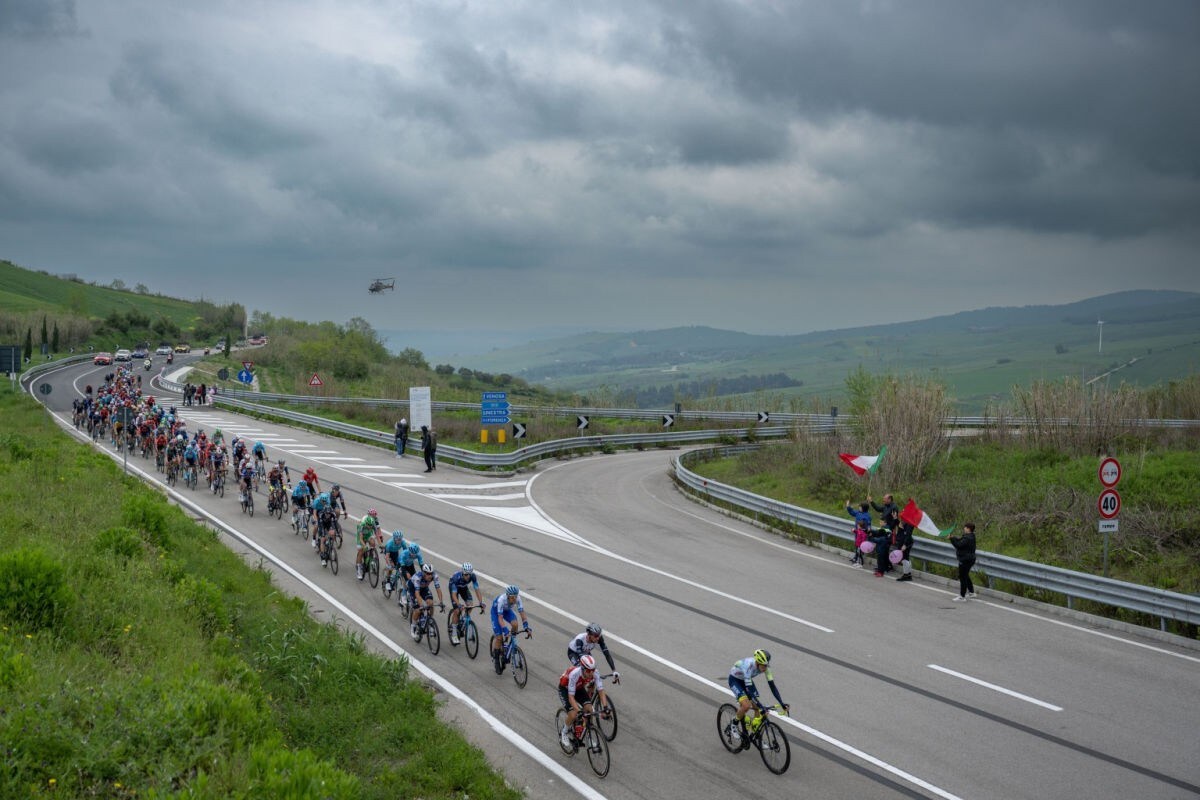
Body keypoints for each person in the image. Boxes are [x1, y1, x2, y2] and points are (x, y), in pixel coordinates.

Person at [726, 649, 788, 742]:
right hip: (735, 680)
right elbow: (749, 692)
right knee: (746, 705)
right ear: (757, 663)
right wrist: (760, 706)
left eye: (766, 665)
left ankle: (755, 737)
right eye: (763, 666)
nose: (765, 668)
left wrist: (781, 703)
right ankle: (733, 724)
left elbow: (772, 687)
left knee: (758, 709)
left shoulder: (766, 668)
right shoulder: (748, 666)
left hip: (746, 680)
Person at [558, 654, 612, 749]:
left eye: (593, 670)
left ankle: (587, 737)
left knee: (590, 710)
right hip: (565, 689)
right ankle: (564, 732)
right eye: (588, 671)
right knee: (574, 714)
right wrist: (579, 711)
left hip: (578, 688)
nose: (591, 673)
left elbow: (601, 691)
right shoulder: (574, 674)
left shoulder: (595, 673)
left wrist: (605, 707)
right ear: (582, 669)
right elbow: (571, 697)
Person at [490, 584, 531, 672]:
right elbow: (500, 619)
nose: (514, 599)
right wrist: (505, 629)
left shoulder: (518, 598)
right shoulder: (501, 600)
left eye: (515, 597)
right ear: (508, 596)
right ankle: (496, 659)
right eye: (512, 598)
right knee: (499, 637)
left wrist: (526, 626)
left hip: (507, 611)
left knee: (515, 624)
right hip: (496, 613)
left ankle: (512, 641)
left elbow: (522, 613)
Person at [446, 562, 482, 645]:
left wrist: (481, 602)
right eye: (466, 575)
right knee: (457, 610)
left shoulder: (472, 576)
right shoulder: (456, 578)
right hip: (454, 588)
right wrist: (458, 605)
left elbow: (477, 589)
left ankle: (464, 619)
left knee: (470, 605)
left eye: (469, 574)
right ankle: (454, 633)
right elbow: (454, 595)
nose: (468, 576)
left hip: (463, 588)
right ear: (462, 573)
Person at [407, 563, 444, 640]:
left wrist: (441, 602)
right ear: (423, 573)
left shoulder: (434, 576)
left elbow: (438, 589)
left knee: (431, 603)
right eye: (427, 573)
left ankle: (430, 621)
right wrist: (421, 605)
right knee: (418, 610)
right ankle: (413, 626)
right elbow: (417, 593)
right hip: (413, 589)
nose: (430, 575)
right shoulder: (417, 577)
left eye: (431, 573)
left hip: (424, 588)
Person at [949, 523, 978, 601]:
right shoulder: (971, 536)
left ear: (968, 529)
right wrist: (953, 537)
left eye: (965, 527)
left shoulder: (968, 538)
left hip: (965, 560)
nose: (964, 528)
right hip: (969, 559)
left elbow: (958, 545)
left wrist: (951, 539)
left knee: (963, 577)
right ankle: (972, 592)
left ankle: (962, 596)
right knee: (965, 575)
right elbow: (960, 540)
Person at [355, 508, 383, 581]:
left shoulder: (373, 523)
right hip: (361, 535)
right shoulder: (362, 525)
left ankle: (372, 558)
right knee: (361, 550)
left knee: (373, 543)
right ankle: (359, 569)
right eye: (368, 525)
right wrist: (364, 546)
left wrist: (381, 545)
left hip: (368, 534)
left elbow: (377, 536)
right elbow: (361, 539)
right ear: (366, 523)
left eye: (371, 526)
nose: (370, 527)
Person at [846, 500, 872, 567]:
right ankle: (856, 558)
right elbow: (851, 512)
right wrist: (848, 506)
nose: (859, 508)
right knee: (857, 546)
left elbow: (869, 524)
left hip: (863, 534)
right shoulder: (858, 513)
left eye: (860, 507)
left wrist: (869, 529)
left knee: (860, 547)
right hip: (857, 532)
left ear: (863, 508)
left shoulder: (867, 516)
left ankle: (859, 561)